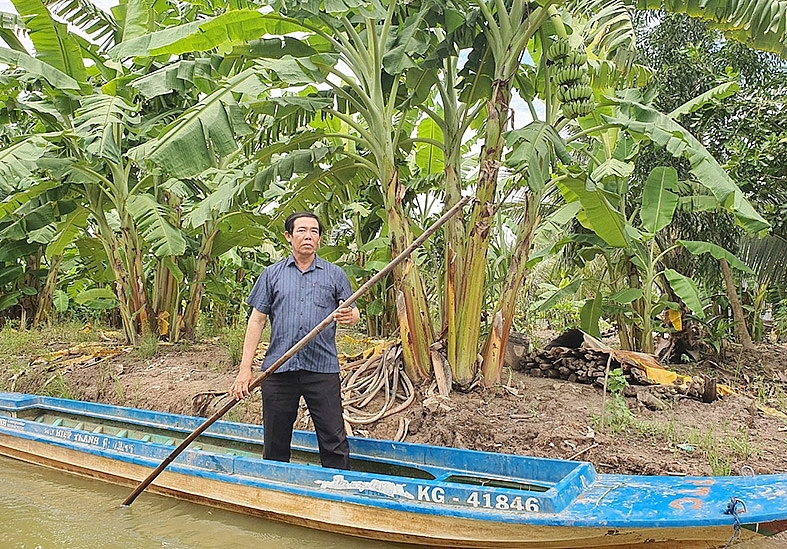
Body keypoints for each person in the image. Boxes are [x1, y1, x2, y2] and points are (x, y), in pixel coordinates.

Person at [229, 212, 359, 469]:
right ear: (289, 236)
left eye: (314, 231)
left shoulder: (334, 275)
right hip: (278, 370)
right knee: (275, 442)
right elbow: (257, 321)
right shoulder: (271, 274)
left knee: (333, 439)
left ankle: (337, 492)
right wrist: (245, 369)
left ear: (319, 238)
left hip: (321, 368)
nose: (308, 236)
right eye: (301, 230)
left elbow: (353, 311)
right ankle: (277, 494)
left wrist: (349, 315)